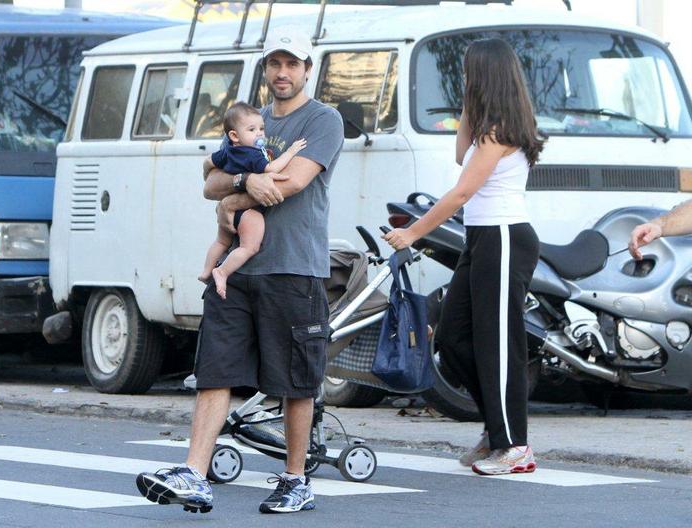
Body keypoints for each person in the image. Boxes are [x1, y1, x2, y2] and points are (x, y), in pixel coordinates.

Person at [135, 27, 344, 513]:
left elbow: (289, 185)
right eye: (275, 63)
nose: (283, 73)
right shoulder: (249, 121)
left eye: (292, 64)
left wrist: (233, 194)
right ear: (266, 68)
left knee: (295, 380)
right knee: (215, 370)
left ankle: (296, 479)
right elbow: (209, 181)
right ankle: (194, 473)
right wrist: (244, 181)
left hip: (292, 268)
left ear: (308, 69)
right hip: (235, 271)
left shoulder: (324, 120)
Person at [383, 38, 544, 476]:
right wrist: (470, 106)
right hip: (482, 239)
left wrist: (412, 233)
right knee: (453, 339)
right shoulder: (487, 126)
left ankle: (514, 445)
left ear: (485, 75)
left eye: (470, 72)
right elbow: (460, 156)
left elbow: (461, 192)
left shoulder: (502, 134)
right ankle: (497, 430)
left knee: (499, 345)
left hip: (505, 236)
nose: (464, 78)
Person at [198, 101, 307, 299]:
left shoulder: (228, 151)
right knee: (249, 247)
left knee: (221, 242)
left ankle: (206, 270)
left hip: (228, 211)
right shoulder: (253, 155)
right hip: (248, 213)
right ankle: (221, 272)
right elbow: (272, 169)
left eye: (261, 129)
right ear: (234, 135)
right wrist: (291, 152)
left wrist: (206, 171)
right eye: (252, 130)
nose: (259, 134)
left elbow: (209, 162)